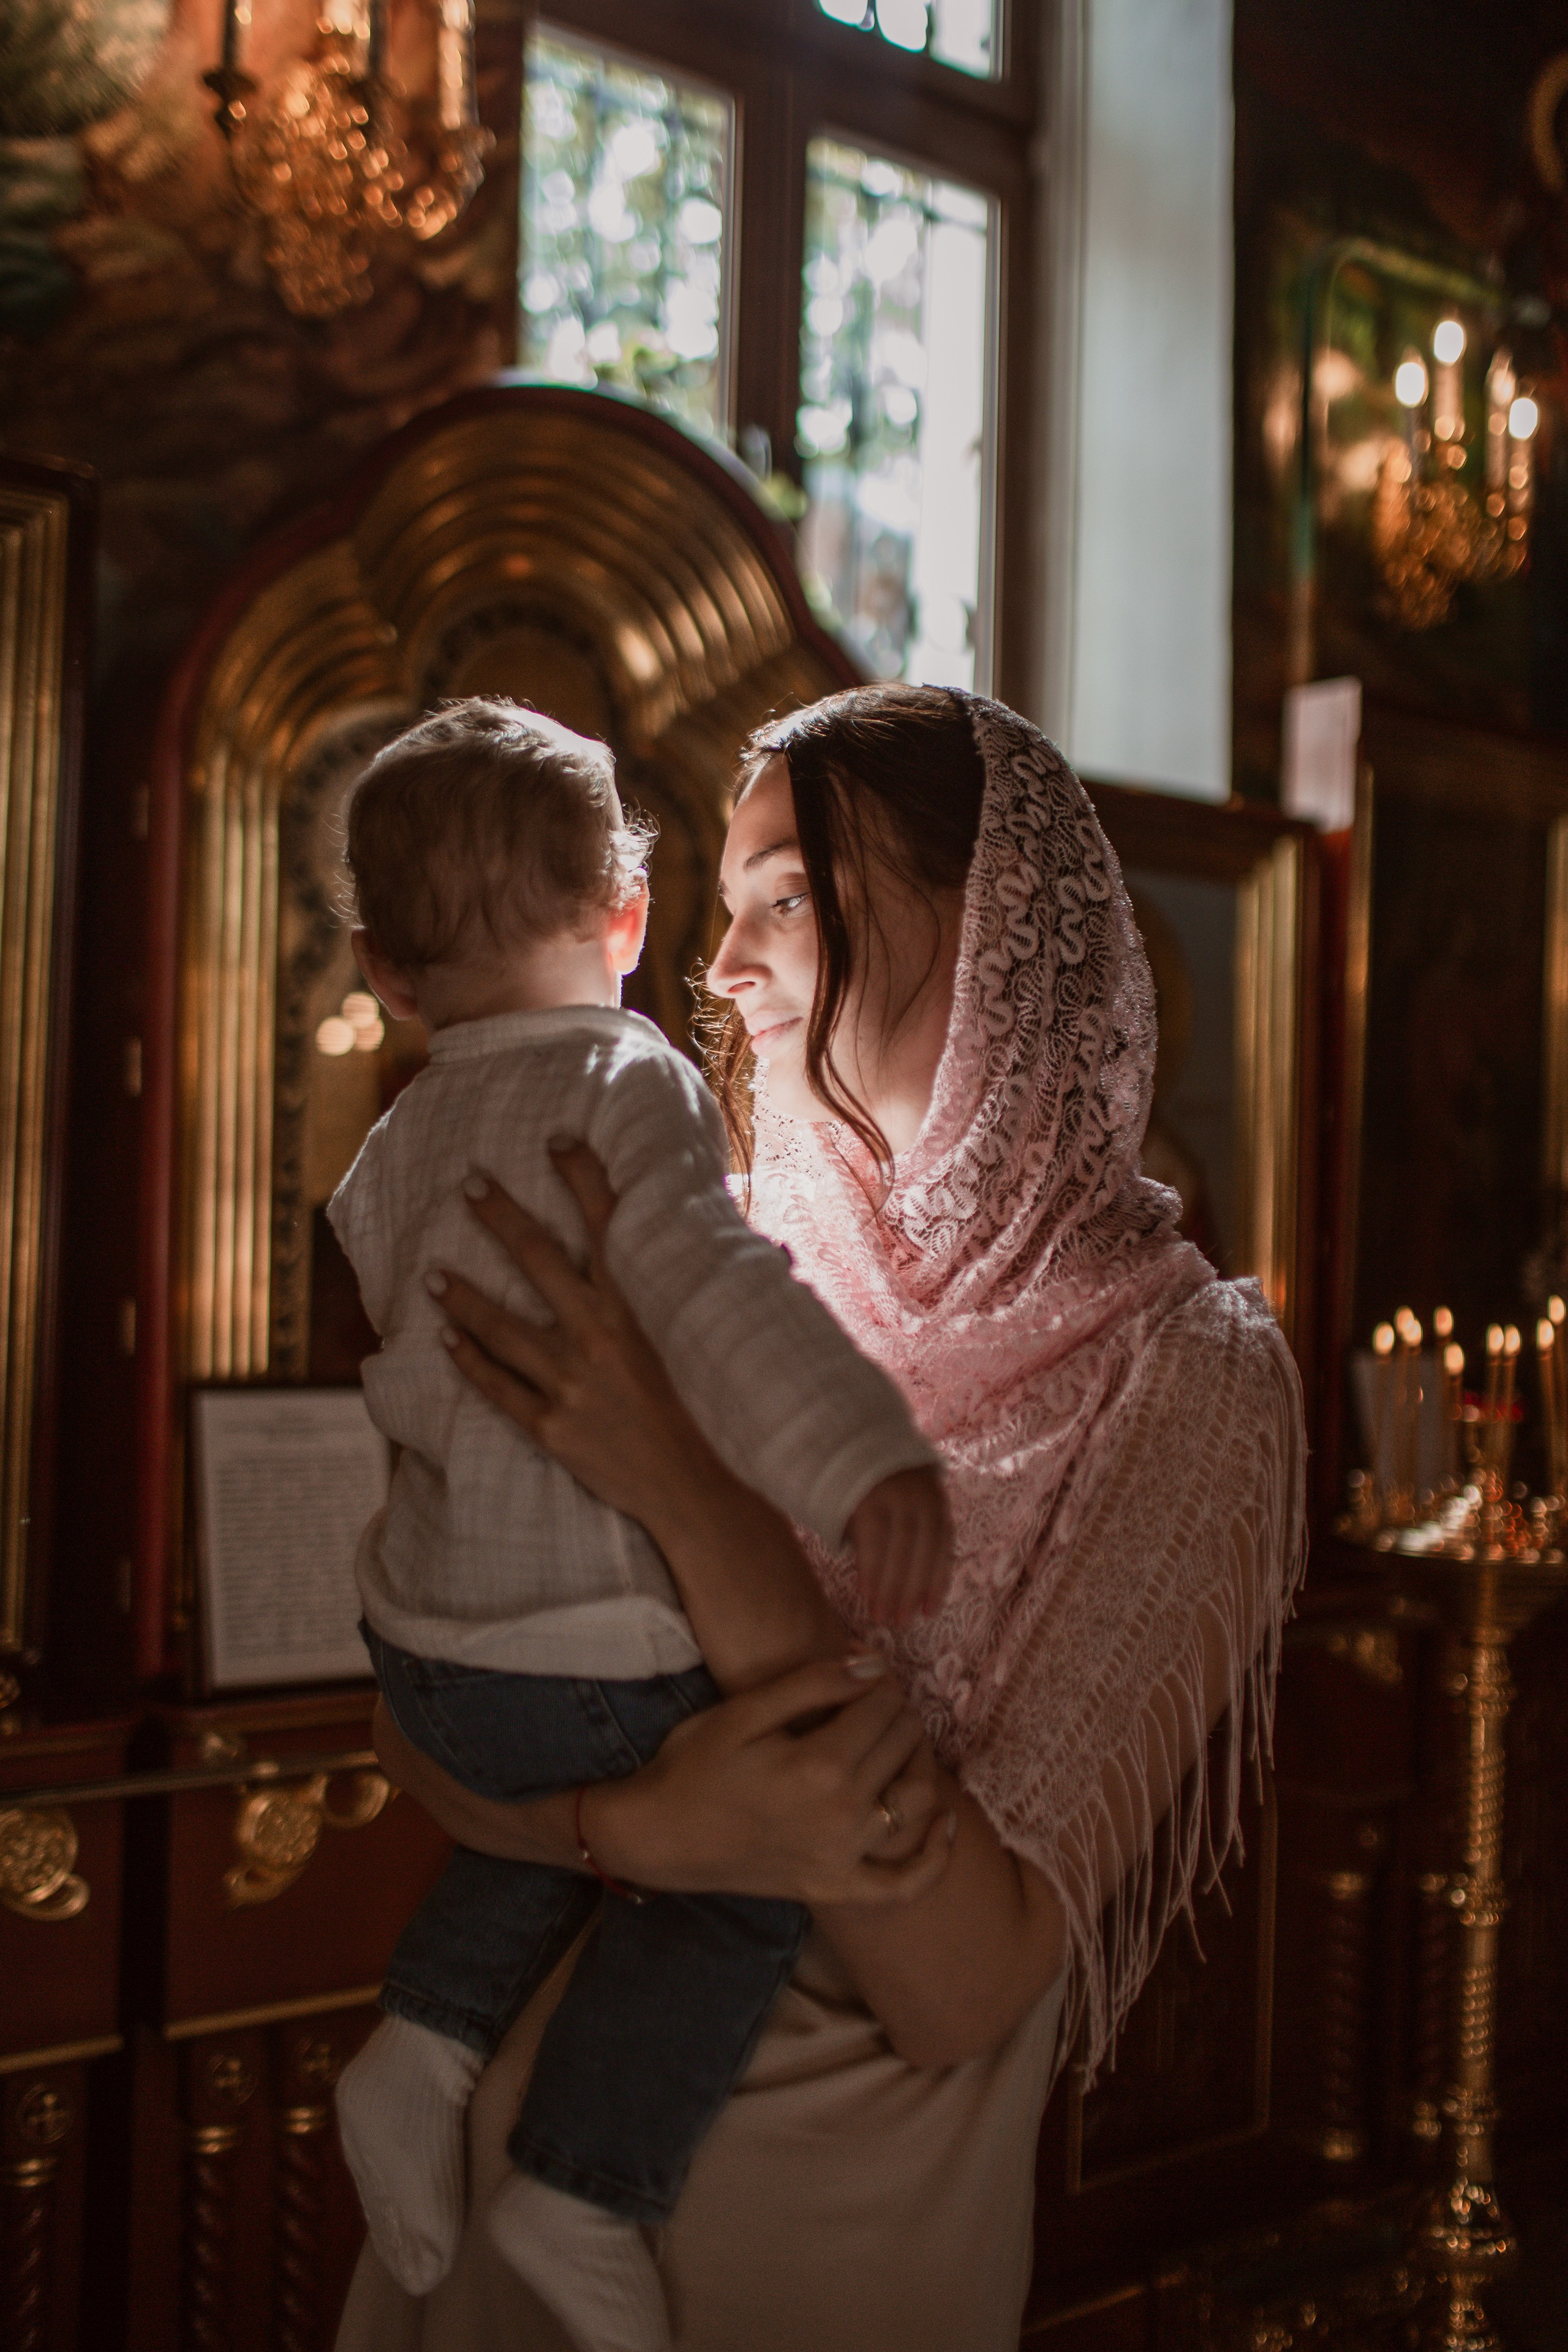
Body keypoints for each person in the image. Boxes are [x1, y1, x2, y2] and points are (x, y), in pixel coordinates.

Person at [336, 685, 1307, 2352]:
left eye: (788, 892)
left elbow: (963, 1984)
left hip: (830, 2253)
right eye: (721, 907)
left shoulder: (1193, 1367)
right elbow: (429, 1711)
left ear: (986, 922)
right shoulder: (707, 1242)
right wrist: (625, 1836)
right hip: (505, 2223)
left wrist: (683, 1489)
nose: (719, 967)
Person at [327, 699, 952, 2352]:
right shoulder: (624, 1078)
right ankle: (586, 2186)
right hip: (590, 1643)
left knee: (542, 1802)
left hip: (429, 1640)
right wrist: (859, 1460)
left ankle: (425, 2041)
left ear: (386, 978)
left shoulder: (392, 1138)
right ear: (624, 923)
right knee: (749, 1852)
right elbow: (717, 1297)